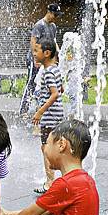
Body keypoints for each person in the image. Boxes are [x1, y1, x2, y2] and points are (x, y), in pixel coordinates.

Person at [32, 39, 64, 194]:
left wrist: (40, 111)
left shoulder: (48, 72)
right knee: (57, 148)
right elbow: (61, 89)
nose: (34, 53)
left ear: (46, 53)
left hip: (49, 118)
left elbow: (55, 93)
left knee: (46, 148)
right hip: (58, 115)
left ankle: (49, 183)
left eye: (36, 50)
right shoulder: (56, 69)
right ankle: (64, 178)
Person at [19, 3, 62, 115]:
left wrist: (59, 54)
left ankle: (40, 108)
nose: (56, 18)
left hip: (45, 59)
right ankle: (23, 110)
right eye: (55, 15)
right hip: (36, 58)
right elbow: (33, 42)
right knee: (32, 82)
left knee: (42, 83)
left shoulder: (53, 26)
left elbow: (53, 41)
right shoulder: (39, 25)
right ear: (49, 12)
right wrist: (35, 59)